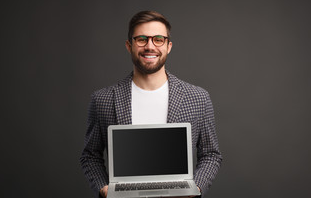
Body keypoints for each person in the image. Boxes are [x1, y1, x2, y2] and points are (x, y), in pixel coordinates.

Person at [80, 11, 222, 198]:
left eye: (158, 39)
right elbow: (90, 155)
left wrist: (196, 188)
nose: (149, 46)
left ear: (168, 46)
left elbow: (211, 154)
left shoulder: (198, 98)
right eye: (141, 39)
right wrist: (104, 188)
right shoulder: (102, 99)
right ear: (129, 45)